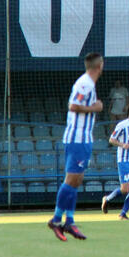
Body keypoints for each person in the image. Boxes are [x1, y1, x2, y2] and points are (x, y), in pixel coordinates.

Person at [48, 52, 104, 241]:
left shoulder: (90, 84)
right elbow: (73, 105)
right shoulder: (84, 83)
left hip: (84, 138)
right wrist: (95, 108)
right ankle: (56, 220)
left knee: (76, 180)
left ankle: (69, 221)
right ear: (99, 66)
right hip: (77, 138)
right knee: (71, 178)